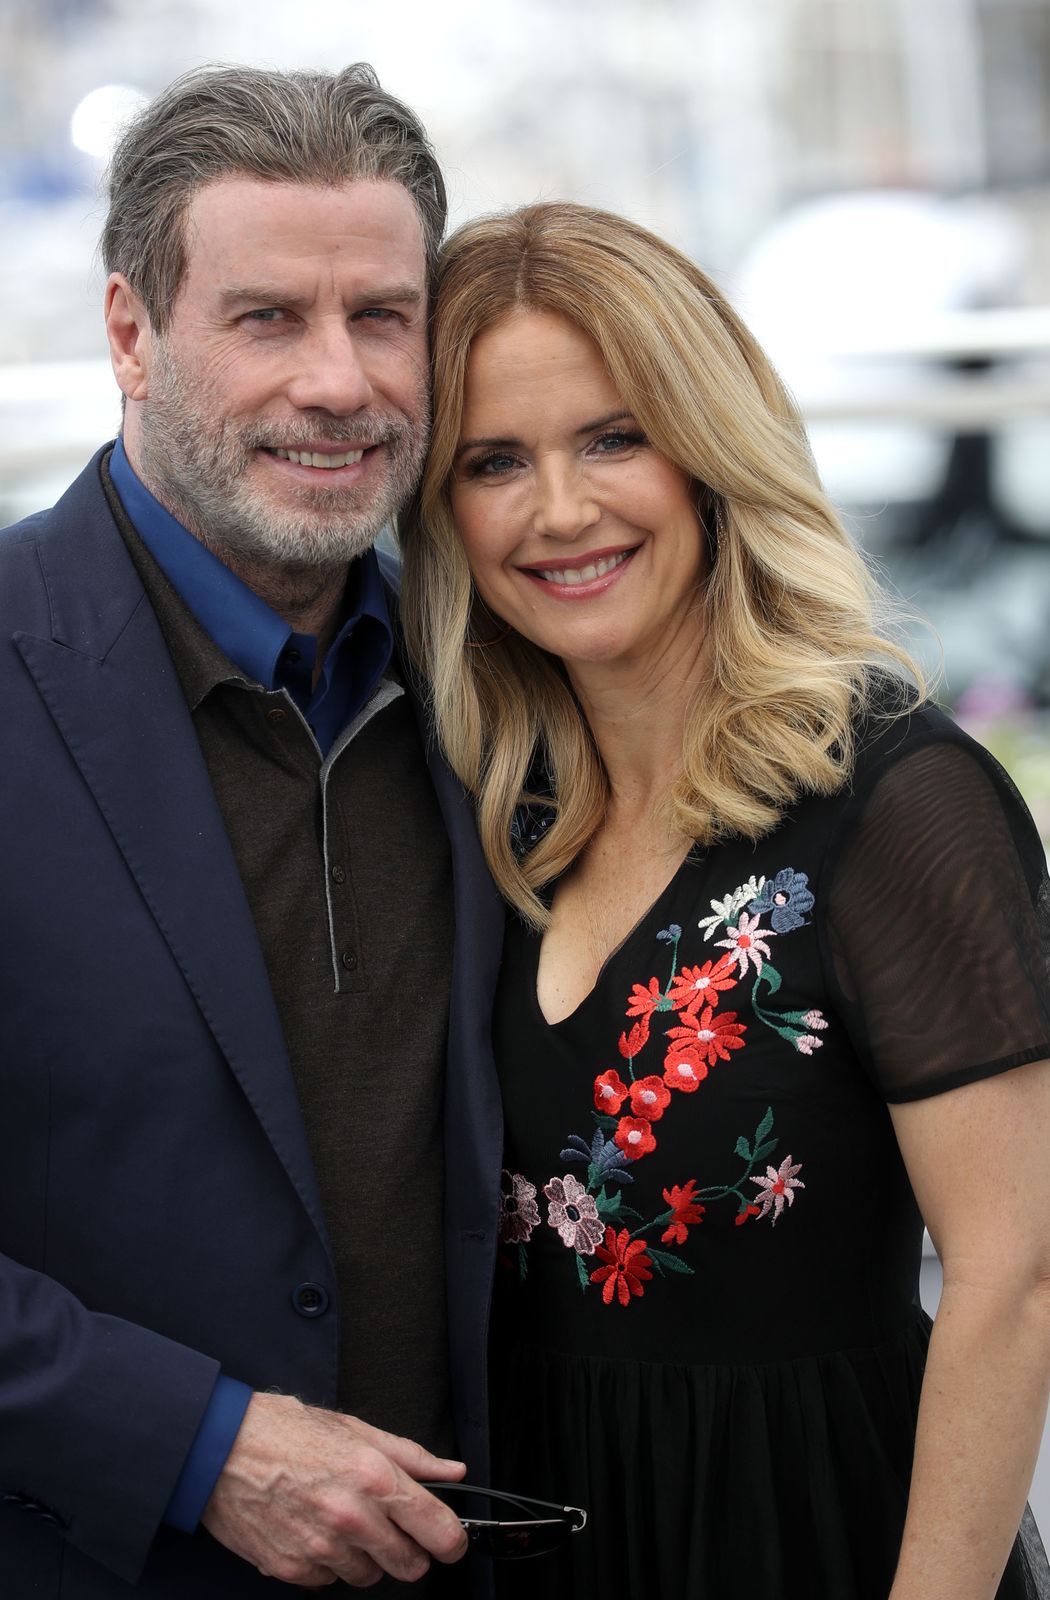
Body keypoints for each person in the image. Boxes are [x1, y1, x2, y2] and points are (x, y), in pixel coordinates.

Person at [0, 65, 505, 1598]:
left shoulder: (500, 672)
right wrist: (198, 1446)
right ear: (131, 334)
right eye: (266, 317)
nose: (338, 382)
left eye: (382, 316)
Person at [400, 200, 1050, 1599]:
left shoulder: (892, 799)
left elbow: (1016, 1280)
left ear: (707, 449)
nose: (559, 510)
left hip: (820, 1534)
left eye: (613, 437)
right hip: (546, 1540)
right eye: (491, 461)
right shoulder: (483, 813)